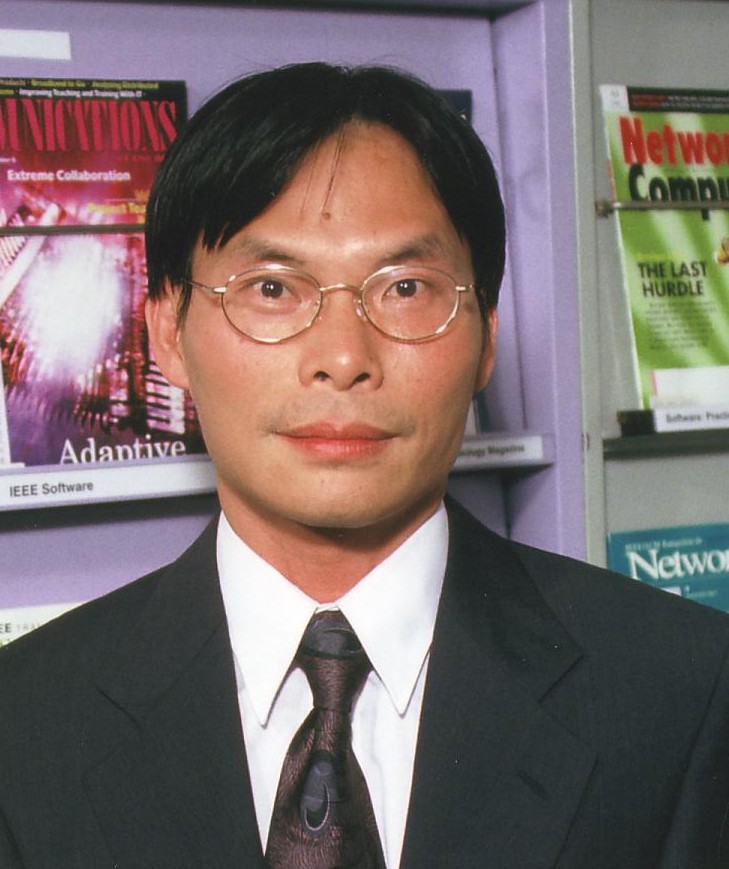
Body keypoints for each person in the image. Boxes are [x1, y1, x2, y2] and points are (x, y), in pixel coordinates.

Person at [0, 62, 728, 869]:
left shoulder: (685, 688)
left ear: (485, 335)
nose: (343, 357)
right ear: (168, 333)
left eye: (405, 287)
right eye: (271, 287)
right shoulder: (24, 720)